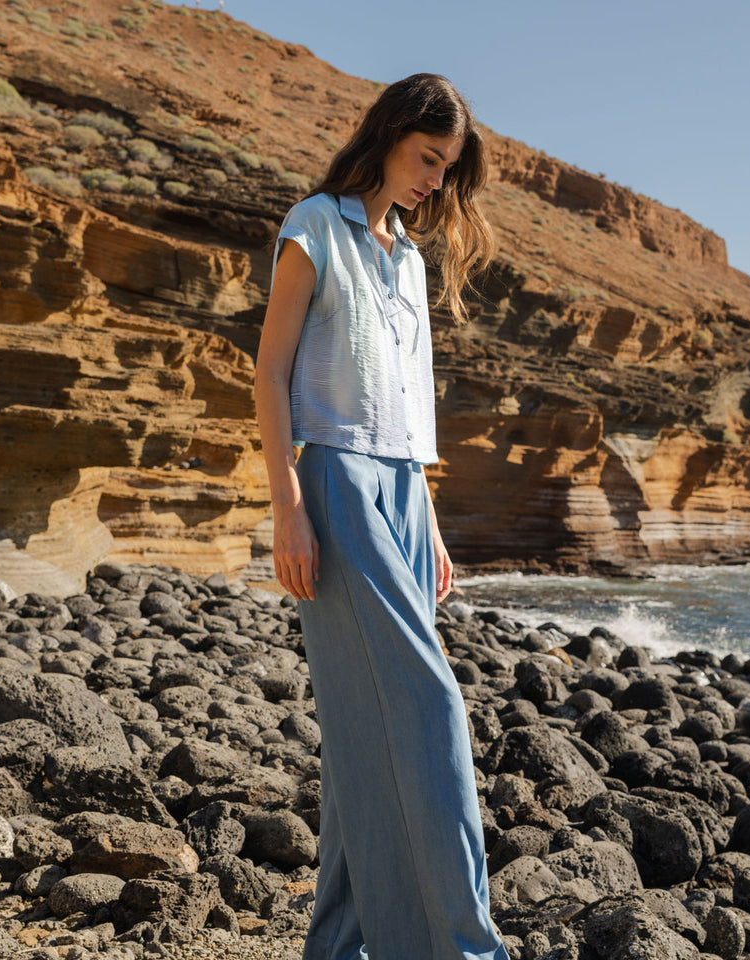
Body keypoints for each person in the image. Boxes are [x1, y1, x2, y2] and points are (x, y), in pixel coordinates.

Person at [253, 74, 505, 960]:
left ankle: (340, 947)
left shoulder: (408, 261)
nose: (436, 180)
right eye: (428, 158)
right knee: (430, 705)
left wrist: (428, 521)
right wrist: (288, 508)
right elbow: (272, 373)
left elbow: (405, 410)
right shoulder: (314, 226)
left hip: (402, 493)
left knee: (363, 738)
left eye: (448, 169)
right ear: (391, 135)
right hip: (333, 483)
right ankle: (463, 950)